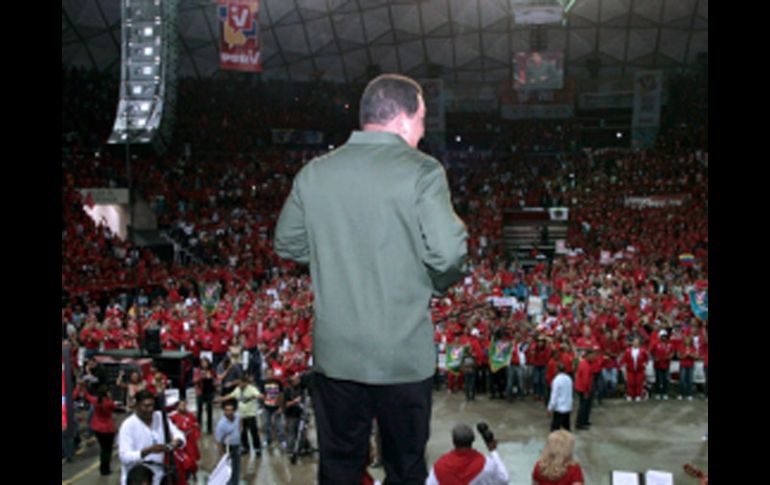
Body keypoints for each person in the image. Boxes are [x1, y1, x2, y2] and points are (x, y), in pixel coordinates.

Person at [275, 73, 468, 485]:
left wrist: (335, 259)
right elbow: (449, 253)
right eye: (422, 119)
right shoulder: (422, 171)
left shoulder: (315, 173)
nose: (422, 130)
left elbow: (287, 242)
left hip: (337, 356)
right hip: (402, 355)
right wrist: (432, 284)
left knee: (339, 468)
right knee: (405, 467)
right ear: (402, 118)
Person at [118, 389, 185, 485]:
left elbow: (179, 435)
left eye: (152, 405)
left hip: (158, 474)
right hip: (137, 477)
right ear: (137, 405)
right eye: (145, 406)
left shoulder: (160, 417)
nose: (150, 409)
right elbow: (124, 456)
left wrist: (173, 444)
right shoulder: (128, 425)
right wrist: (147, 451)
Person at [425, 424, 509, 485]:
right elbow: (504, 480)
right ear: (473, 440)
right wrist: (493, 451)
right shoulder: (487, 464)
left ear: (454, 441)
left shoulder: (439, 466)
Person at [77, 382, 119, 475]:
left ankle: (102, 468)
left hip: (97, 427)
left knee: (103, 449)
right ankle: (105, 469)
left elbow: (87, 395)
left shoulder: (95, 400)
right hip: (108, 428)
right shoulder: (109, 403)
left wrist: (81, 387)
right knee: (107, 450)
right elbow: (114, 407)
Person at [215, 376, 263, 457]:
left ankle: (257, 449)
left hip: (251, 415)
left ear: (246, 382)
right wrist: (221, 399)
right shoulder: (237, 390)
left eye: (241, 383)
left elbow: (258, 395)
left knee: (254, 433)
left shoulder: (251, 389)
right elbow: (230, 396)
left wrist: (259, 396)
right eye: (239, 383)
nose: (240, 385)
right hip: (241, 415)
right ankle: (245, 447)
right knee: (243, 432)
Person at [215, 400, 242, 485]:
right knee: (228, 469)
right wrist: (222, 455)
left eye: (231, 410)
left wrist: (240, 431)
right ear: (224, 411)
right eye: (227, 410)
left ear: (234, 410)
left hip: (237, 446)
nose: (229, 412)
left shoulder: (237, 416)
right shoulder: (221, 424)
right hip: (228, 448)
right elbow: (218, 441)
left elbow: (241, 422)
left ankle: (236, 482)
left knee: (237, 468)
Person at [547, 363, 573, 432]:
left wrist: (550, 408)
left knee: (555, 430)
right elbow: (570, 393)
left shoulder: (556, 380)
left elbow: (554, 396)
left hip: (559, 408)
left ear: (557, 370)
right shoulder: (569, 379)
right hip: (567, 407)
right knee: (566, 428)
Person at [620, 337, 648, 402]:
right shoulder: (627, 350)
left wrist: (645, 364)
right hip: (630, 369)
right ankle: (630, 395)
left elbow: (646, 358)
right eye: (634, 342)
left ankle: (638, 395)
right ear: (632, 343)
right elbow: (624, 359)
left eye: (637, 342)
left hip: (640, 369)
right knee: (631, 383)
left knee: (638, 383)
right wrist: (624, 364)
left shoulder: (643, 350)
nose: (635, 343)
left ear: (639, 343)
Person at [193, 356, 216, 433]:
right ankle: (198, 428)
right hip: (200, 392)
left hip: (209, 392)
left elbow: (216, 379)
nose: (204, 364)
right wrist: (201, 377)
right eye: (203, 362)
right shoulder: (198, 371)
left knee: (209, 411)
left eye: (206, 362)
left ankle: (209, 429)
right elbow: (194, 381)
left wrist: (213, 379)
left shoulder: (212, 371)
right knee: (199, 411)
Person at [651, 330, 674, 400]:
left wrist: (671, 356)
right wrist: (654, 358)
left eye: (665, 336)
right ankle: (658, 393)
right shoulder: (655, 343)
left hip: (666, 364)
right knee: (658, 379)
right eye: (662, 336)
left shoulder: (669, 344)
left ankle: (665, 393)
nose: (664, 337)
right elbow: (651, 352)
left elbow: (672, 352)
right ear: (660, 336)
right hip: (658, 364)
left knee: (666, 380)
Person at [574, 349, 594, 430]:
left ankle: (585, 420)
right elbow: (585, 380)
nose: (593, 358)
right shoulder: (585, 365)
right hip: (583, 389)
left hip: (583, 388)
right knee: (583, 406)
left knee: (586, 405)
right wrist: (586, 391)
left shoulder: (585, 363)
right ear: (587, 356)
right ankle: (580, 423)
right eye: (592, 356)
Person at [677, 335, 696, 400]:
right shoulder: (681, 346)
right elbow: (678, 356)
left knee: (690, 380)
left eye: (688, 339)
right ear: (684, 340)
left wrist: (690, 355)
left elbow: (696, 356)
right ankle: (681, 394)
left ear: (690, 341)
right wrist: (684, 356)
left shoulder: (693, 347)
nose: (687, 341)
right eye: (686, 339)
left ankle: (689, 394)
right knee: (682, 380)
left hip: (691, 366)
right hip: (683, 365)